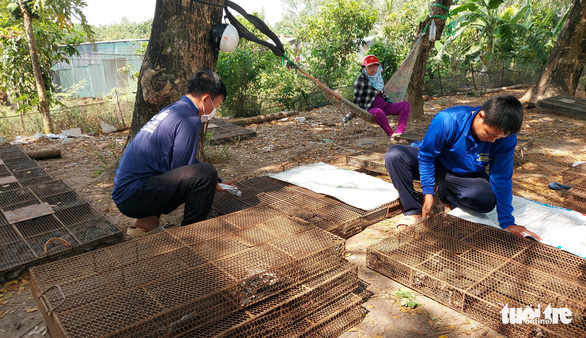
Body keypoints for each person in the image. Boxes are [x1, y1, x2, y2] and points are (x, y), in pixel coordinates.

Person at [384, 95, 541, 240]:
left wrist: (507, 221)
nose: (492, 141)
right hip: (435, 162)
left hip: (464, 173)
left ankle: (445, 193)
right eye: (489, 134)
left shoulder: (505, 139)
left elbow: (501, 177)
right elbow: (426, 156)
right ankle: (413, 211)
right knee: (394, 155)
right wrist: (428, 193)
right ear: (480, 116)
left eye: (498, 138)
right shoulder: (448, 120)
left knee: (485, 200)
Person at [112, 70, 236, 236]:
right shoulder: (190, 120)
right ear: (206, 99)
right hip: (134, 196)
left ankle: (146, 222)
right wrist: (211, 180)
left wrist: (218, 180)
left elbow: (185, 165)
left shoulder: (175, 110)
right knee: (207, 173)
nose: (214, 111)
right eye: (216, 106)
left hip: (125, 193)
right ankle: (192, 233)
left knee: (207, 174)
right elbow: (184, 170)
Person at [345, 55, 411, 140]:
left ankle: (399, 133)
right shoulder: (361, 79)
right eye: (370, 66)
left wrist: (389, 100)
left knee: (405, 105)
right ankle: (391, 134)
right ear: (364, 68)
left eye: (375, 65)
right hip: (370, 108)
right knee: (378, 112)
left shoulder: (378, 77)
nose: (373, 68)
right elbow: (357, 97)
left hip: (384, 106)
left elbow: (382, 93)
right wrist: (353, 112)